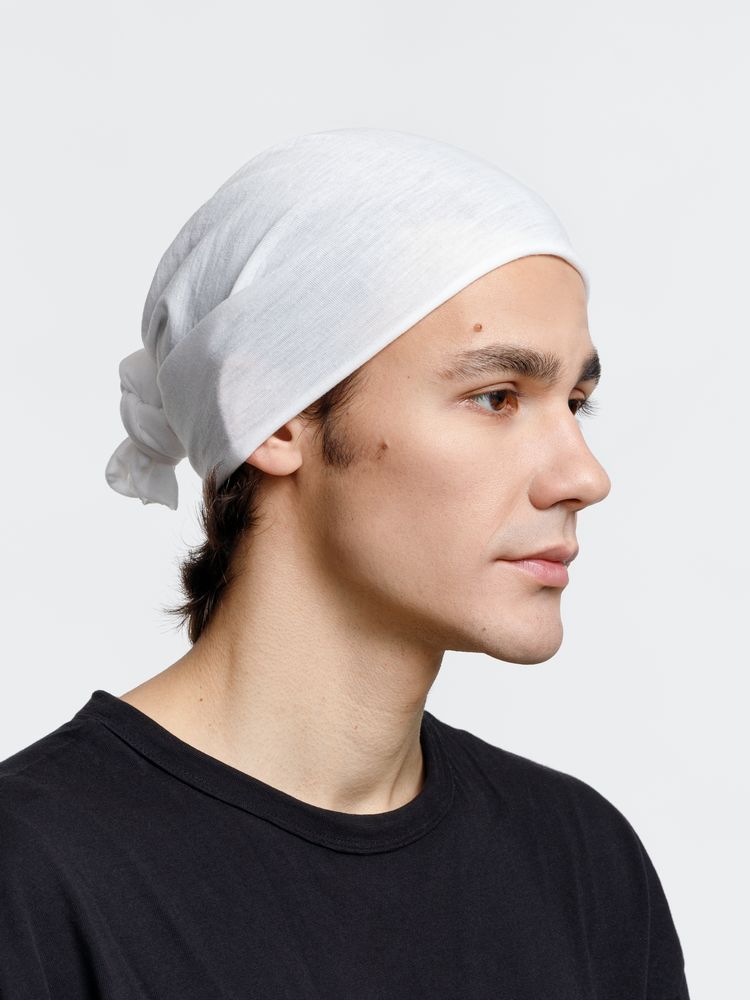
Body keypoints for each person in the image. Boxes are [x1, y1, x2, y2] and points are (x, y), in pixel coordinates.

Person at [0, 128, 690, 998]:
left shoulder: (581, 862)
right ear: (275, 415)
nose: (584, 477)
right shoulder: (34, 874)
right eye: (496, 397)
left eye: (576, 402)